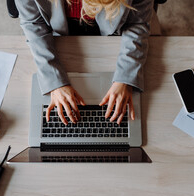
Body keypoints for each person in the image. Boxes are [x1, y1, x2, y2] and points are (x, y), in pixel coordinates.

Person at [15, 0, 153, 125]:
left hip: (114, 33)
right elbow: (33, 25)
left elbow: (137, 24)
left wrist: (126, 77)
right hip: (58, 34)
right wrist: (54, 81)